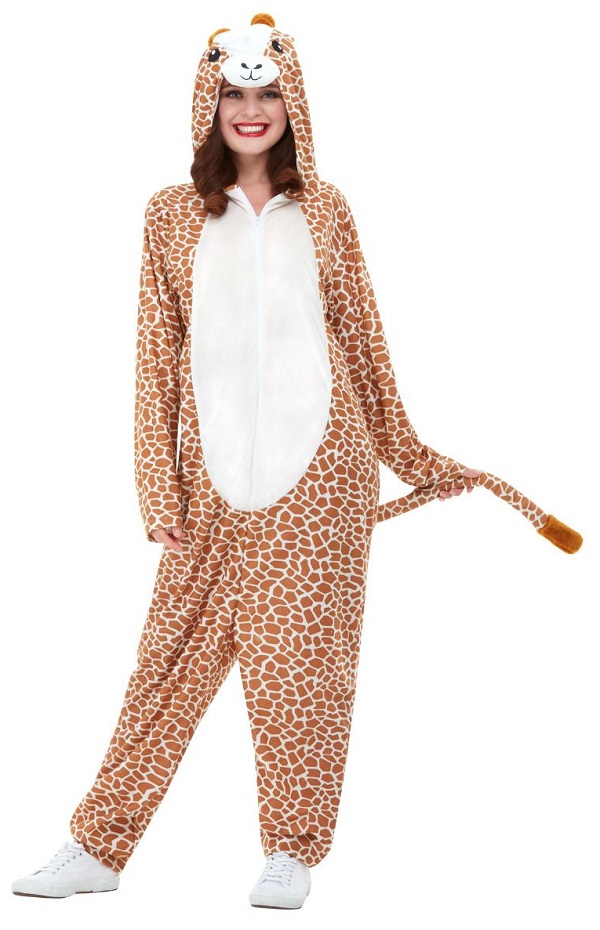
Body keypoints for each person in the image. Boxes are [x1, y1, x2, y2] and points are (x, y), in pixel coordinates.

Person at [11, 13, 480, 909]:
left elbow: (364, 342)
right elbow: (155, 357)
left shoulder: (328, 209)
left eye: (267, 92)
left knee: (301, 669)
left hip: (323, 476)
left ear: (292, 102)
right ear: (210, 102)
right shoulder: (170, 214)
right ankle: (99, 845)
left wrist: (412, 456)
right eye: (234, 91)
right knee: (166, 665)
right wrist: (158, 486)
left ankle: (291, 851)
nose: (251, 108)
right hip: (210, 483)